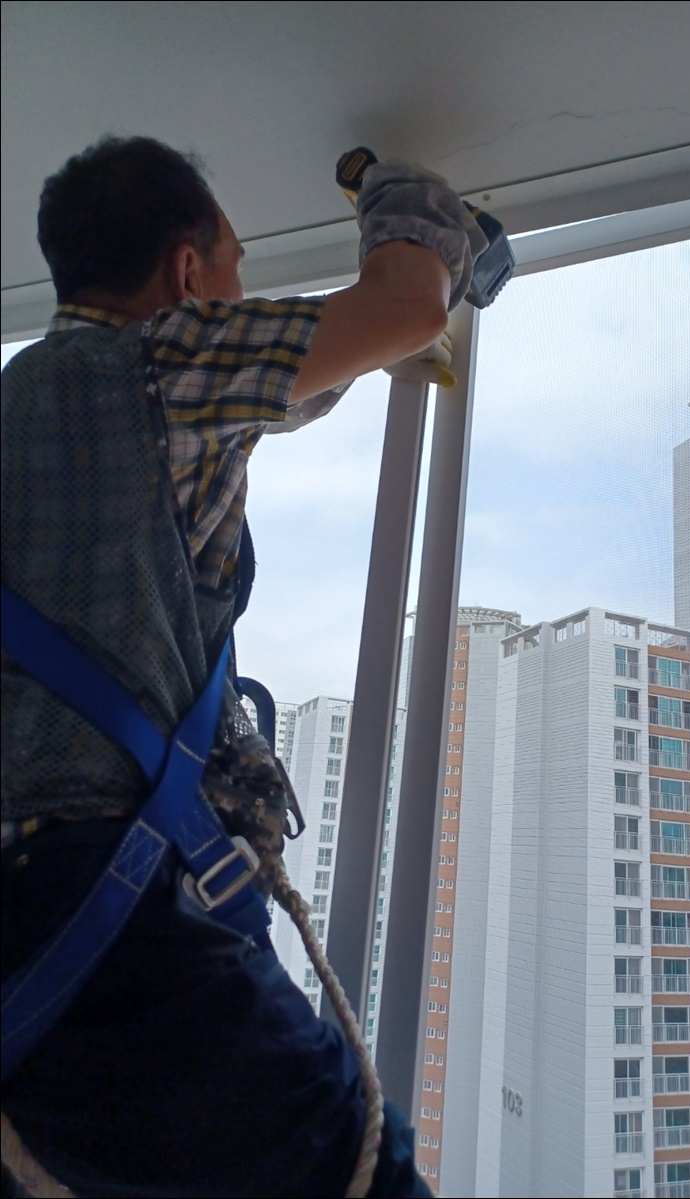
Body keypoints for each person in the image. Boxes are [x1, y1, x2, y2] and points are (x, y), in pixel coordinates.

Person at [0, 136, 487, 1198]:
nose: (236, 290)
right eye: (234, 267)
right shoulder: (164, 363)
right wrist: (403, 199)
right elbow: (405, 302)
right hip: (111, 927)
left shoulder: (24, 403)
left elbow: (267, 398)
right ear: (188, 274)